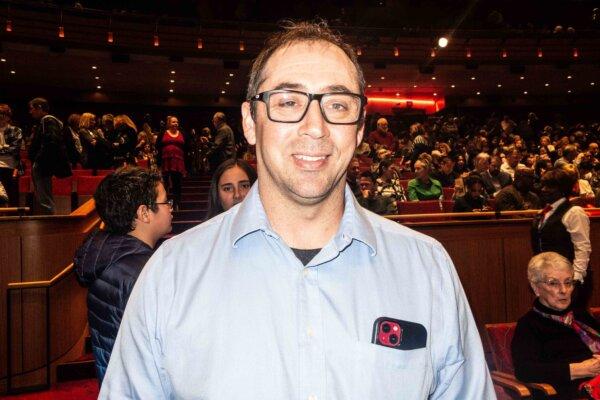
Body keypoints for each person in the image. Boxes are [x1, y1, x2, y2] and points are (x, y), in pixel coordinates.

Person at [100, 20, 494, 399]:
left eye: (338, 105)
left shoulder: (427, 267)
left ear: (358, 130)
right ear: (250, 122)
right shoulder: (170, 274)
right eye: (288, 102)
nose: (316, 127)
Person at [74, 167, 172, 385]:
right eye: (166, 202)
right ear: (144, 213)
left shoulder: (110, 257)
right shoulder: (143, 272)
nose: (171, 209)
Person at [512, 252, 600, 399]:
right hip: (570, 391)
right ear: (536, 287)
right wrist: (578, 369)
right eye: (553, 283)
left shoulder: (580, 315)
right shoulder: (529, 325)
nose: (563, 290)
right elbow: (524, 370)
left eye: (568, 282)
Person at [532, 167, 591, 309]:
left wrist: (576, 279)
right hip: (548, 279)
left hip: (569, 280)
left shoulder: (574, 212)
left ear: (562, 189)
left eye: (549, 187)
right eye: (543, 185)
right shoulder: (544, 212)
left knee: (574, 322)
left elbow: (582, 247)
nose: (544, 189)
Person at [28, 98, 71, 214]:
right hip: (44, 164)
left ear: (40, 108)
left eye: (32, 109)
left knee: (44, 199)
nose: (30, 112)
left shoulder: (48, 120)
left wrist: (38, 160)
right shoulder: (48, 121)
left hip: (43, 165)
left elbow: (51, 142)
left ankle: (50, 226)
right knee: (44, 198)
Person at [157, 116, 187, 208]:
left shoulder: (182, 133)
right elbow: (157, 146)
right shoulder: (163, 133)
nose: (176, 124)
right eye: (174, 122)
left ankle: (176, 203)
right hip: (166, 161)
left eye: (177, 122)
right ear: (169, 123)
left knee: (177, 184)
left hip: (178, 162)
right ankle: (164, 203)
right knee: (165, 183)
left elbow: (186, 147)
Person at [0, 104, 23, 206]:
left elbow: (14, 149)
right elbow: (9, 149)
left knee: (12, 197)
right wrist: (5, 148)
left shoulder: (16, 130)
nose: (0, 117)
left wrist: (3, 149)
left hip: (10, 167)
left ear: (8, 116)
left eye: (3, 114)